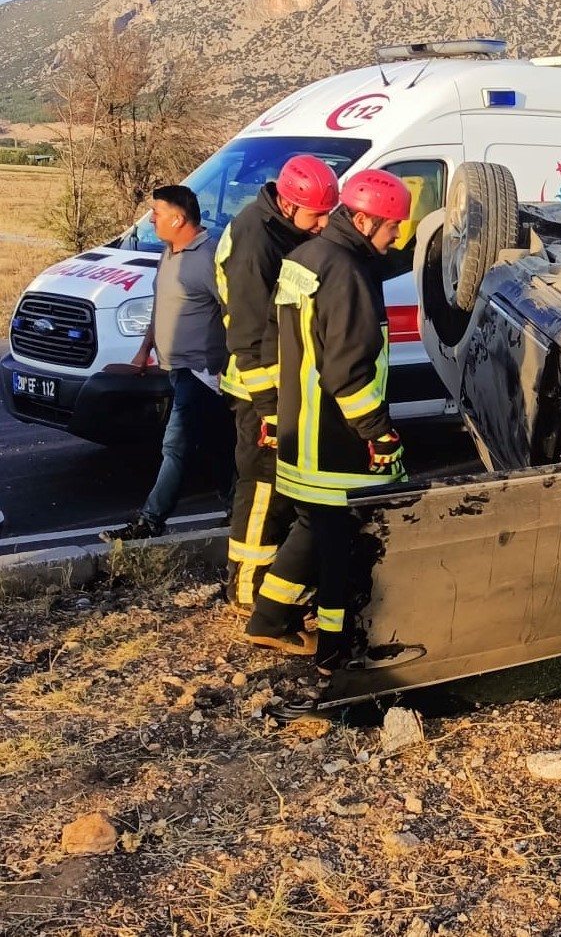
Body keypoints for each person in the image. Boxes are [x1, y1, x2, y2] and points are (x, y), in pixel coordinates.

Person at [244, 170, 412, 671]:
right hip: (336, 442)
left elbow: (274, 342)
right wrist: (379, 433)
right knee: (343, 544)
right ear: (362, 220)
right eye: (391, 228)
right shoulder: (349, 275)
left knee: (312, 526)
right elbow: (348, 373)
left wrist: (274, 411)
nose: (397, 236)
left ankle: (269, 617)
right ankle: (337, 650)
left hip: (299, 432)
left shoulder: (303, 259)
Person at [216, 155, 340, 614]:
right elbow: (248, 339)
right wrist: (270, 408)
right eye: (317, 215)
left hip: (278, 383)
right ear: (288, 205)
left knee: (278, 488)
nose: (325, 224)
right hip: (256, 388)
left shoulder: (281, 227)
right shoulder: (256, 242)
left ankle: (270, 583)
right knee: (262, 486)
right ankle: (247, 591)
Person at [101, 185, 231, 541]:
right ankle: (240, 511)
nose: (152, 218)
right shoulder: (169, 252)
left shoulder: (208, 257)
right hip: (175, 367)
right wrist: (145, 349)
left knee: (175, 444)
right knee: (216, 443)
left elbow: (233, 310)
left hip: (201, 371)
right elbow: (162, 305)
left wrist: (228, 363)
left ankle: (150, 520)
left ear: (179, 217)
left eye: (157, 212)